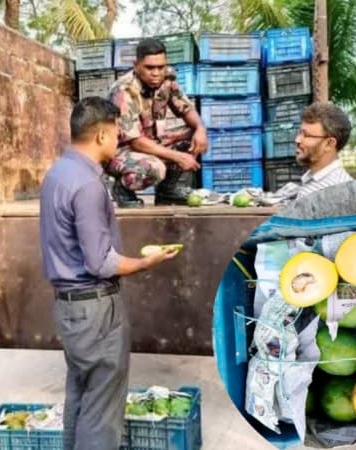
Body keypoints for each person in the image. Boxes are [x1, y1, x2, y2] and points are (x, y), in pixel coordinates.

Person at [39, 97, 179, 449]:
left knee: (82, 394)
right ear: (101, 135)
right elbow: (101, 263)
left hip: (70, 307)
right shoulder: (87, 185)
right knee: (102, 405)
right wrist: (148, 261)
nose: (119, 140)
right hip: (95, 307)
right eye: (117, 133)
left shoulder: (58, 173)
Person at [108, 37, 208, 207]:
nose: (156, 73)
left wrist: (200, 129)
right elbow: (135, 142)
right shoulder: (124, 91)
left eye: (161, 67)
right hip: (120, 151)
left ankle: (167, 191)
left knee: (192, 134)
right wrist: (177, 156)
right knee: (155, 168)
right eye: (149, 68)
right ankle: (122, 188)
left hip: (150, 142)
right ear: (136, 65)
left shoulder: (166, 81)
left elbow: (186, 109)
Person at [293, 103, 354, 198]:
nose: (297, 140)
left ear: (329, 144)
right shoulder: (313, 180)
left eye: (307, 135)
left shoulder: (334, 192)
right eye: (300, 133)